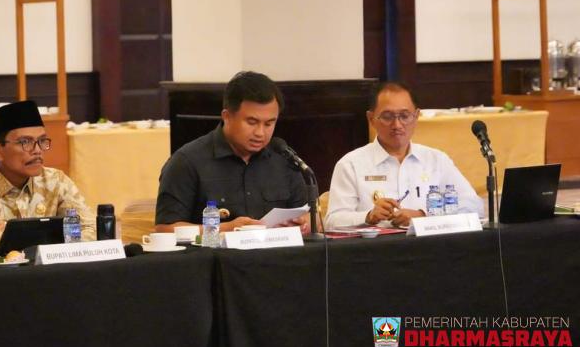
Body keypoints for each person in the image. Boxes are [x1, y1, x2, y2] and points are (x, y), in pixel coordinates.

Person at [155, 71, 309, 233]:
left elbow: (309, 217)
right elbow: (165, 229)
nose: (260, 133)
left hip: (279, 249)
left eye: (269, 124)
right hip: (214, 250)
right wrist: (224, 229)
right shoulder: (187, 162)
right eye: (252, 122)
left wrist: (305, 224)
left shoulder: (284, 158)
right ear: (227, 116)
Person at [325, 82, 483, 229]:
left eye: (404, 116)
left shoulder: (436, 160)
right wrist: (368, 216)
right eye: (387, 117)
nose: (397, 125)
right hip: (375, 248)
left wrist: (423, 215)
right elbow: (332, 221)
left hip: (430, 246)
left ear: (416, 116)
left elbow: (474, 206)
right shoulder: (350, 164)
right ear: (371, 119)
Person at [0, 100, 95, 254]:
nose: (37, 150)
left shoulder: (56, 181)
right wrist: (44, 235)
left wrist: (9, 233)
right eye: (25, 142)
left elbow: (90, 229)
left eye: (42, 141)